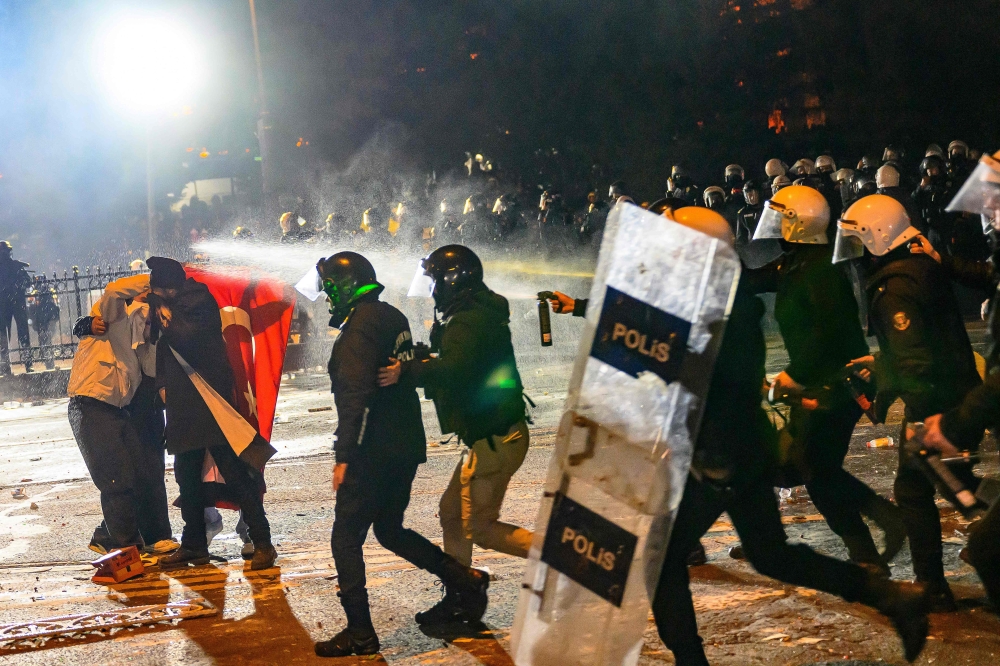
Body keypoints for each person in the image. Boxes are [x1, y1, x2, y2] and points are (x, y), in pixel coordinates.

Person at [550, 204, 929, 666]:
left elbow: (697, 374)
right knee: (771, 556)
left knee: (660, 561)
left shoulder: (717, 313)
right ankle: (888, 595)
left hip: (719, 455)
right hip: (739, 450)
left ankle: (692, 662)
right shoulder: (714, 298)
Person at [313, 252, 489, 658]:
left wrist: (345, 457)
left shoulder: (358, 330)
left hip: (372, 452)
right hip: (404, 446)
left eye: (330, 289)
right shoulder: (390, 315)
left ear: (345, 285)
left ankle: (360, 633)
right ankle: (464, 580)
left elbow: (356, 398)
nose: (327, 298)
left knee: (346, 538)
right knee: (389, 530)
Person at [833, 195, 982, 611]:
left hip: (934, 403)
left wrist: (918, 416)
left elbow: (915, 359)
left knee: (942, 490)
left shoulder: (893, 286)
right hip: (955, 392)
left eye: (859, 240)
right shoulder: (918, 268)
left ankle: (933, 585)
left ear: (878, 236)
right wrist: (883, 360)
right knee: (948, 486)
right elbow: (925, 341)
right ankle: (933, 583)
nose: (855, 253)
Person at [752, 185, 905, 574]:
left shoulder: (821, 270)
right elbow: (752, 279)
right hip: (821, 381)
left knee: (815, 471)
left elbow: (829, 338)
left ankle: (868, 552)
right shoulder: (799, 263)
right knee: (809, 465)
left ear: (798, 223)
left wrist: (794, 376)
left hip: (842, 382)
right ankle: (882, 526)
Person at [381, 245, 533, 568]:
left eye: (435, 281)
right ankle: (460, 589)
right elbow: (463, 365)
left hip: (497, 439)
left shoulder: (467, 321)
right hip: (493, 436)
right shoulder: (473, 313)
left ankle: (562, 558)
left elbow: (453, 372)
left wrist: (406, 370)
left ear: (453, 281)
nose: (433, 290)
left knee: (481, 527)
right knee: (452, 512)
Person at [147, 256, 277, 571]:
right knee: (187, 479)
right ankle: (194, 544)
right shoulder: (168, 306)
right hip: (184, 406)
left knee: (234, 472)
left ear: (170, 288)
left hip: (210, 402)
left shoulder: (199, 300)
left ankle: (262, 541)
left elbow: (187, 338)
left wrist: (165, 311)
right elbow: (160, 345)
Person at [68, 273, 173, 554]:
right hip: (91, 406)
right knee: (117, 479)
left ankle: (110, 536)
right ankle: (127, 548)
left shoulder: (138, 347)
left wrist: (154, 336)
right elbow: (114, 290)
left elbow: (151, 371)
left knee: (133, 475)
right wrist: (157, 281)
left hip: (117, 411)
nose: (147, 315)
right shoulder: (113, 320)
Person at [0, 241, 32, 374]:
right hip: (11, 304)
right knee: (12, 334)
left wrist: (17, 287)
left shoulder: (16, 266)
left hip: (9, 305)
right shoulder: (16, 266)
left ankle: (7, 365)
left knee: (6, 335)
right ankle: (24, 363)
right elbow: (28, 282)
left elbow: (27, 282)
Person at [734, 179, 763, 246]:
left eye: (752, 193)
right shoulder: (743, 213)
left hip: (769, 247)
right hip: (753, 249)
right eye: (747, 194)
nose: (749, 197)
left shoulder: (767, 208)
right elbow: (741, 237)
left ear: (760, 193)